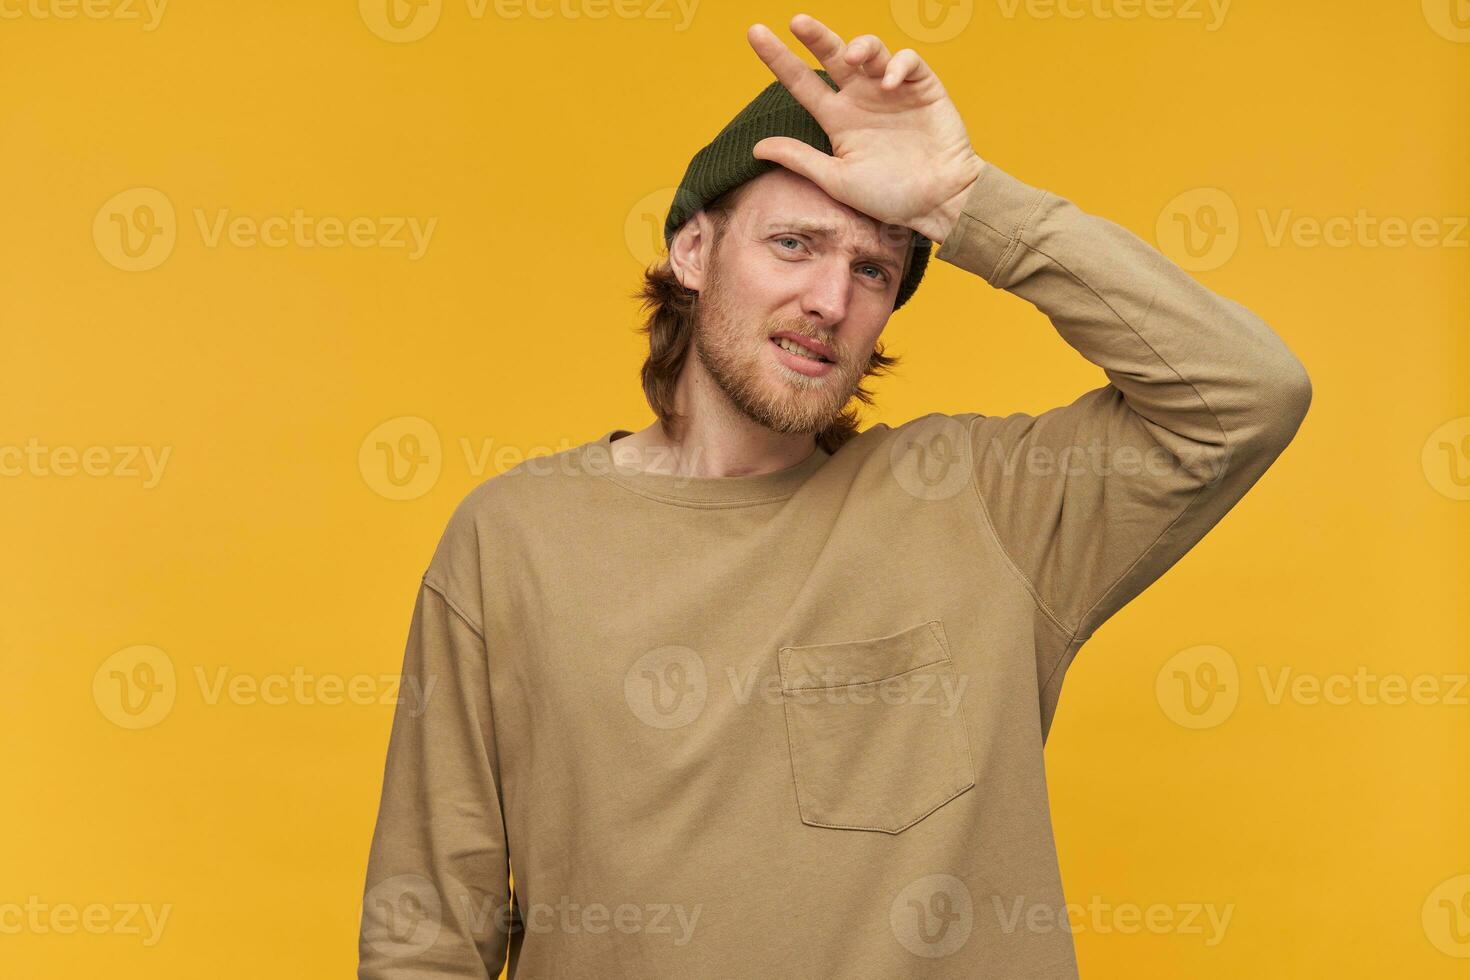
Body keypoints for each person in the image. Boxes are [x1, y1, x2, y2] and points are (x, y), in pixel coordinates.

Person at [358, 14, 1311, 979]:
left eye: (872, 269)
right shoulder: (513, 539)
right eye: (795, 244)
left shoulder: (983, 507)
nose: (830, 300)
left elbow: (1243, 396)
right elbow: (426, 936)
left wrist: (967, 201)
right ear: (693, 252)